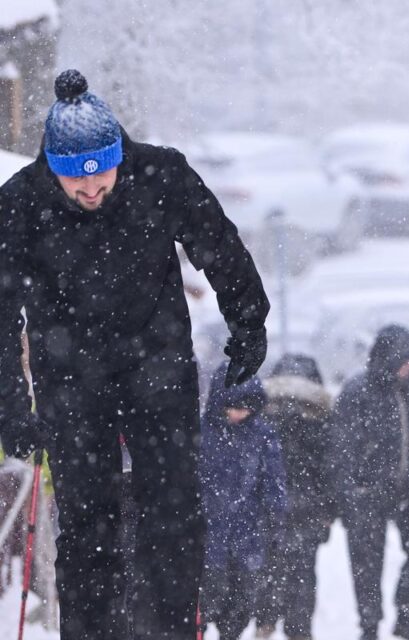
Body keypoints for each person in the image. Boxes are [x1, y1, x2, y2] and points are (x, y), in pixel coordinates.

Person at [0, 69, 270, 639]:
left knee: (172, 517)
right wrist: (12, 408)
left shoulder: (159, 174)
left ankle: (172, 629)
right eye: (76, 181)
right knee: (87, 528)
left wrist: (249, 324)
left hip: (157, 366)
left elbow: (218, 245)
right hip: (71, 381)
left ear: (119, 155)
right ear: (53, 169)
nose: (92, 190)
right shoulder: (20, 205)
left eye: (102, 176)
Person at [331, 325, 409, 640]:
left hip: (406, 482)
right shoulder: (357, 392)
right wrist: (348, 493)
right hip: (367, 489)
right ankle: (369, 626)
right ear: (388, 359)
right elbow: (341, 449)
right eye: (407, 361)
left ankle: (407, 615)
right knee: (366, 562)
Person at [199, 364, 287, 640]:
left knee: (241, 602)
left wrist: (276, 517)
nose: (239, 414)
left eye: (247, 408)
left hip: (247, 533)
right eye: (232, 407)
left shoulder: (262, 436)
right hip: (205, 534)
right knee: (206, 598)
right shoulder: (200, 435)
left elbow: (273, 481)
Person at [253, 354, 336, 640]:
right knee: (302, 577)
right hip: (307, 511)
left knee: (268, 572)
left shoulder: (263, 415)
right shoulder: (322, 419)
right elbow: (330, 468)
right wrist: (328, 510)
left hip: (271, 510)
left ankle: (265, 624)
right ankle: (298, 631)